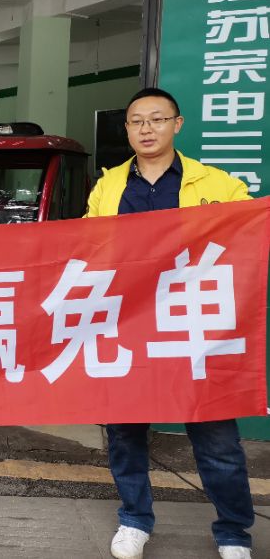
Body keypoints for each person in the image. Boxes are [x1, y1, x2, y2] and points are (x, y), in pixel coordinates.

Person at [86, 87, 253, 559]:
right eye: (137, 121)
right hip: (128, 323)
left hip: (195, 324)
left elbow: (250, 233)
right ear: (127, 129)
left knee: (216, 436)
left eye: (157, 119)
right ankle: (134, 520)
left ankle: (234, 532)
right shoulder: (109, 187)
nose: (147, 129)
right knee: (125, 431)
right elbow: (88, 245)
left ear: (177, 124)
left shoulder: (218, 184)